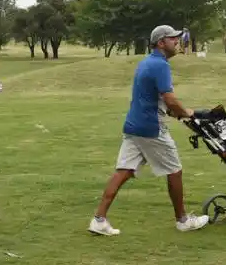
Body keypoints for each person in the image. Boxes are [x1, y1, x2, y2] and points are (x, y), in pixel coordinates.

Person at [88, 25, 210, 236]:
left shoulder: (146, 63)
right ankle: (182, 220)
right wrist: (187, 113)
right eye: (172, 39)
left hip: (133, 125)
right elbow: (170, 99)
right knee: (175, 170)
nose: (176, 41)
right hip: (151, 128)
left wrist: (174, 112)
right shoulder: (160, 65)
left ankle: (99, 219)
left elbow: (156, 99)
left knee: (123, 171)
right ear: (161, 42)